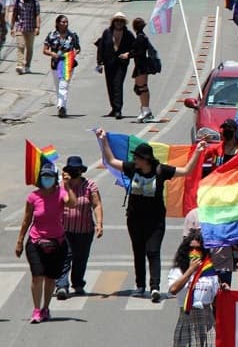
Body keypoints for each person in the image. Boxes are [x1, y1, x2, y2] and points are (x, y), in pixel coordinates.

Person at [96, 128, 206, 302]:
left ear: (145, 160)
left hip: (155, 221)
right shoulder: (132, 169)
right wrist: (103, 140)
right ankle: (140, 286)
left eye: (137, 157)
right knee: (138, 251)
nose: (133, 160)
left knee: (153, 251)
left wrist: (199, 152)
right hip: (134, 219)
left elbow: (186, 171)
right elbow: (110, 160)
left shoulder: (161, 170)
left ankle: (154, 287)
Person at [15, 163, 77, 323]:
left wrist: (68, 185)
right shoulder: (33, 197)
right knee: (37, 276)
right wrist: (20, 241)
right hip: (36, 241)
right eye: (44, 176)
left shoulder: (61, 193)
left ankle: (45, 308)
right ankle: (36, 309)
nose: (47, 179)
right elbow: (26, 220)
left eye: (50, 176)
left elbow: (72, 203)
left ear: (54, 178)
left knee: (50, 278)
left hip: (57, 242)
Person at [55, 156, 103, 299]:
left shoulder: (90, 185)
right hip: (64, 229)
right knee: (65, 256)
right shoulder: (61, 186)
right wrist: (66, 185)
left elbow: (97, 204)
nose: (74, 173)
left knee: (80, 258)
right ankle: (62, 286)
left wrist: (99, 223)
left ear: (81, 171)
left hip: (84, 229)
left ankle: (77, 283)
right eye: (71, 170)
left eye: (77, 170)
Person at [95, 12, 135, 119]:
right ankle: (113, 107)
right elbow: (101, 47)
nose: (119, 23)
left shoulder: (128, 34)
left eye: (121, 21)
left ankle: (118, 109)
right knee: (110, 85)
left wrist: (128, 54)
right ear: (113, 22)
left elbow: (135, 48)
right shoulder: (107, 33)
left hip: (121, 64)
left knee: (118, 84)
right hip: (109, 63)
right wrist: (99, 63)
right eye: (117, 20)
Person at [42, 14, 80, 118]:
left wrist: (75, 53)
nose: (65, 24)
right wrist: (52, 54)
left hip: (68, 63)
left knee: (64, 84)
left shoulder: (72, 35)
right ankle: (62, 107)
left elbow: (77, 48)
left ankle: (61, 106)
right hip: (56, 63)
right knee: (58, 86)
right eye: (63, 22)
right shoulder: (52, 35)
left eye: (66, 22)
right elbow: (45, 50)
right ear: (58, 23)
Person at [10, 0, 40, 75]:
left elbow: (37, 15)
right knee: (20, 46)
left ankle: (27, 66)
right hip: (20, 27)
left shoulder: (35, 1)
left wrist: (37, 27)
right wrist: (12, 27)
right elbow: (14, 14)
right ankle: (20, 65)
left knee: (29, 48)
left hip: (31, 28)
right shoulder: (17, 0)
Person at [129, 17, 155, 123]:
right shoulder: (141, 36)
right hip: (140, 64)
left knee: (142, 88)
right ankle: (144, 109)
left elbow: (139, 52)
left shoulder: (140, 37)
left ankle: (146, 110)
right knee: (139, 88)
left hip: (141, 65)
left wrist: (128, 55)